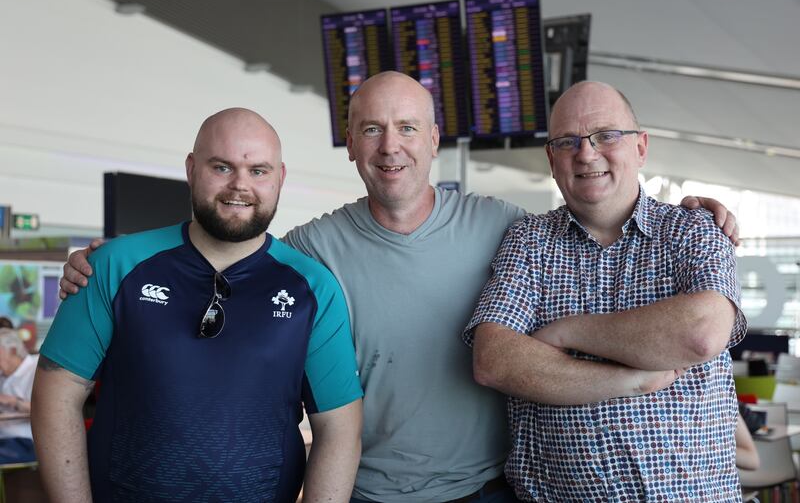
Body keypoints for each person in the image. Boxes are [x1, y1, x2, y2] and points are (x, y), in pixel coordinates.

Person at [59, 72, 739, 502]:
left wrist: (700, 214)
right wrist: (106, 265)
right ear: (351, 144)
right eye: (372, 129)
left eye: (408, 127)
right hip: (364, 490)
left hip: (487, 488)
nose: (391, 146)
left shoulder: (505, 227)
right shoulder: (311, 250)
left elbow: (597, 214)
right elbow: (227, 250)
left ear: (434, 139)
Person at [31, 108, 363, 503]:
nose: (240, 185)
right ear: (191, 169)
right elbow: (56, 393)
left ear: (280, 178)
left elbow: (340, 429)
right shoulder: (113, 266)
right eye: (222, 167)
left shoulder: (313, 289)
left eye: (258, 171)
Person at [466, 81, 746, 502]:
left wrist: (568, 332)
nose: (586, 153)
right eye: (567, 141)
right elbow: (494, 360)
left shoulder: (694, 230)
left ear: (641, 147)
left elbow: (701, 334)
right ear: (551, 159)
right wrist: (632, 380)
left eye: (606, 135)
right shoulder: (529, 241)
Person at [0, 329, 37, 464]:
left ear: (13, 350)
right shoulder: (3, 373)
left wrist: (12, 401)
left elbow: (48, 410)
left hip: (26, 441)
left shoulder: (36, 368)